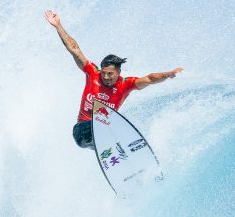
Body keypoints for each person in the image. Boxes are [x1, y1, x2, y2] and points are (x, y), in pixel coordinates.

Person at [44, 9, 184, 149]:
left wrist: (167, 74)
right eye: (104, 73)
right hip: (82, 131)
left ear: (118, 72)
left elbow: (150, 78)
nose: (105, 77)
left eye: (110, 74)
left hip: (104, 134)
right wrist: (58, 26)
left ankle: (124, 156)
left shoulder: (125, 85)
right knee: (107, 128)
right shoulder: (92, 73)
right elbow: (74, 49)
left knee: (111, 129)